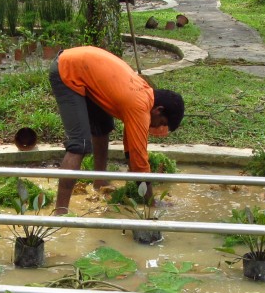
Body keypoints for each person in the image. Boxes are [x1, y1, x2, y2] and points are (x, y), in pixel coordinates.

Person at [49, 45, 184, 214]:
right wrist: (151, 203)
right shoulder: (140, 107)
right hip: (67, 70)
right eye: (161, 122)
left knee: (102, 127)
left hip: (83, 68)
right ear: (159, 110)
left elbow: (131, 151)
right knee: (80, 145)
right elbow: (139, 160)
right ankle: (60, 213)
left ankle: (100, 183)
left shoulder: (142, 95)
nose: (156, 127)